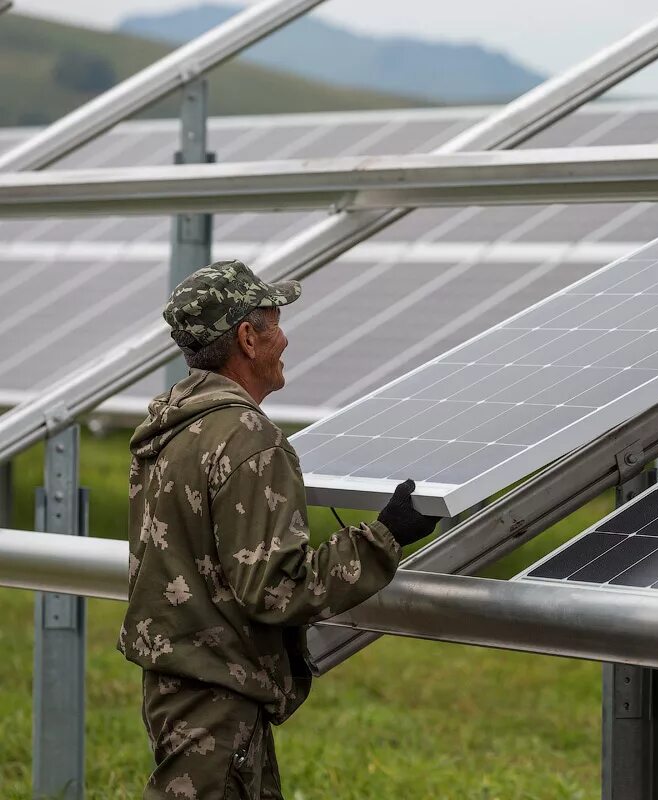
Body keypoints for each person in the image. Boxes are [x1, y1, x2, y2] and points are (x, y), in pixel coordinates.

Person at [119, 260, 440, 799]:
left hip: (179, 689)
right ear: (247, 337)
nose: (285, 339)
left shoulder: (170, 426)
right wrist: (384, 536)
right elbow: (274, 589)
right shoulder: (246, 437)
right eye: (275, 321)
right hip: (218, 702)